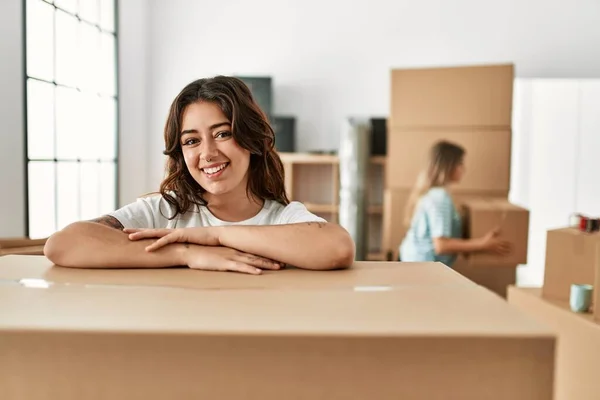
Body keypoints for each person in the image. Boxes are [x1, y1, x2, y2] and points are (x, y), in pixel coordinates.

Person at [44, 76, 355, 274]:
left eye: (222, 134)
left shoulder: (283, 218)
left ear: (252, 140)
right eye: (191, 141)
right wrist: (186, 253)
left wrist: (215, 236)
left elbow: (337, 248)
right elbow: (63, 244)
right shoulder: (165, 212)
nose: (207, 153)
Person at [399, 140, 510, 266]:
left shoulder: (433, 194)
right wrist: (483, 244)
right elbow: (441, 245)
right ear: (448, 166)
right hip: (421, 268)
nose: (464, 169)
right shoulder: (439, 197)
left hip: (415, 263)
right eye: (460, 163)